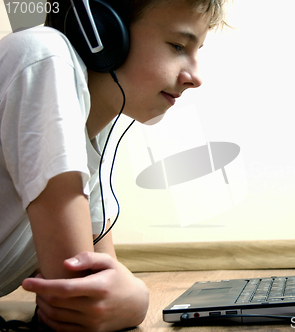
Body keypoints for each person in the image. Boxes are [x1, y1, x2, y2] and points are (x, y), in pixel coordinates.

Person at [0, 0, 229, 330]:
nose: (195, 77)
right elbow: (77, 299)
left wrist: (123, 297)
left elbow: (100, 280)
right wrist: (138, 299)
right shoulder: (44, 57)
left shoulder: (99, 115)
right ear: (101, 32)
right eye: (178, 45)